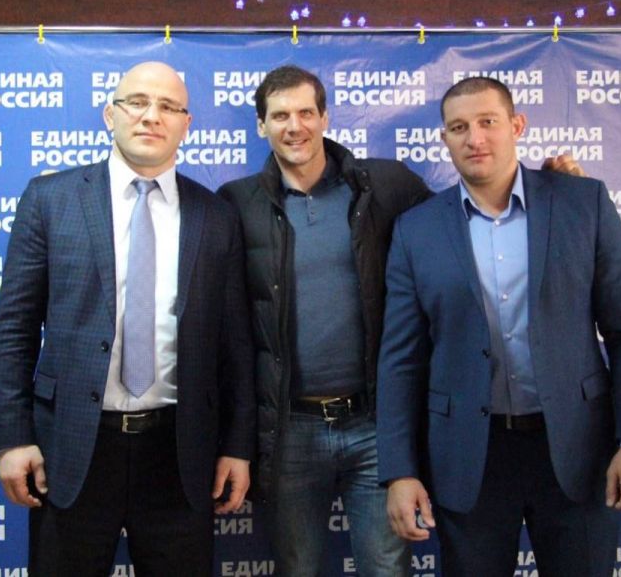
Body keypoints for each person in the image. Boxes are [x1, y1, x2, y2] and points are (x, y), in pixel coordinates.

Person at [217, 66, 581, 576]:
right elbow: (228, 331)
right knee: (296, 569)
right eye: (279, 116)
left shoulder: (385, 184)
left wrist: (548, 192)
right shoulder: (236, 204)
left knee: (387, 569)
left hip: (376, 423)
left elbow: (465, 224)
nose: (294, 126)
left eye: (305, 112)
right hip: (289, 429)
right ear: (261, 125)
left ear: (325, 118)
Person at [377, 76, 621, 576]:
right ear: (444, 138)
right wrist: (399, 471)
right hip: (470, 459)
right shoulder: (416, 229)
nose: (475, 138)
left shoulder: (583, 202)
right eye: (459, 127)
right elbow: (401, 361)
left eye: (488, 122)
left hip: (577, 450)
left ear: (517, 125)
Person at [0, 61, 255, 576]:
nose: (151, 116)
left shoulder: (216, 216)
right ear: (110, 114)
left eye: (169, 107)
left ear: (186, 125)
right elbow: (14, 330)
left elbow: (236, 346)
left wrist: (237, 446)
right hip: (73, 448)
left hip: (180, 452)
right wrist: (13, 437)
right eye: (137, 102)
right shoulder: (49, 200)